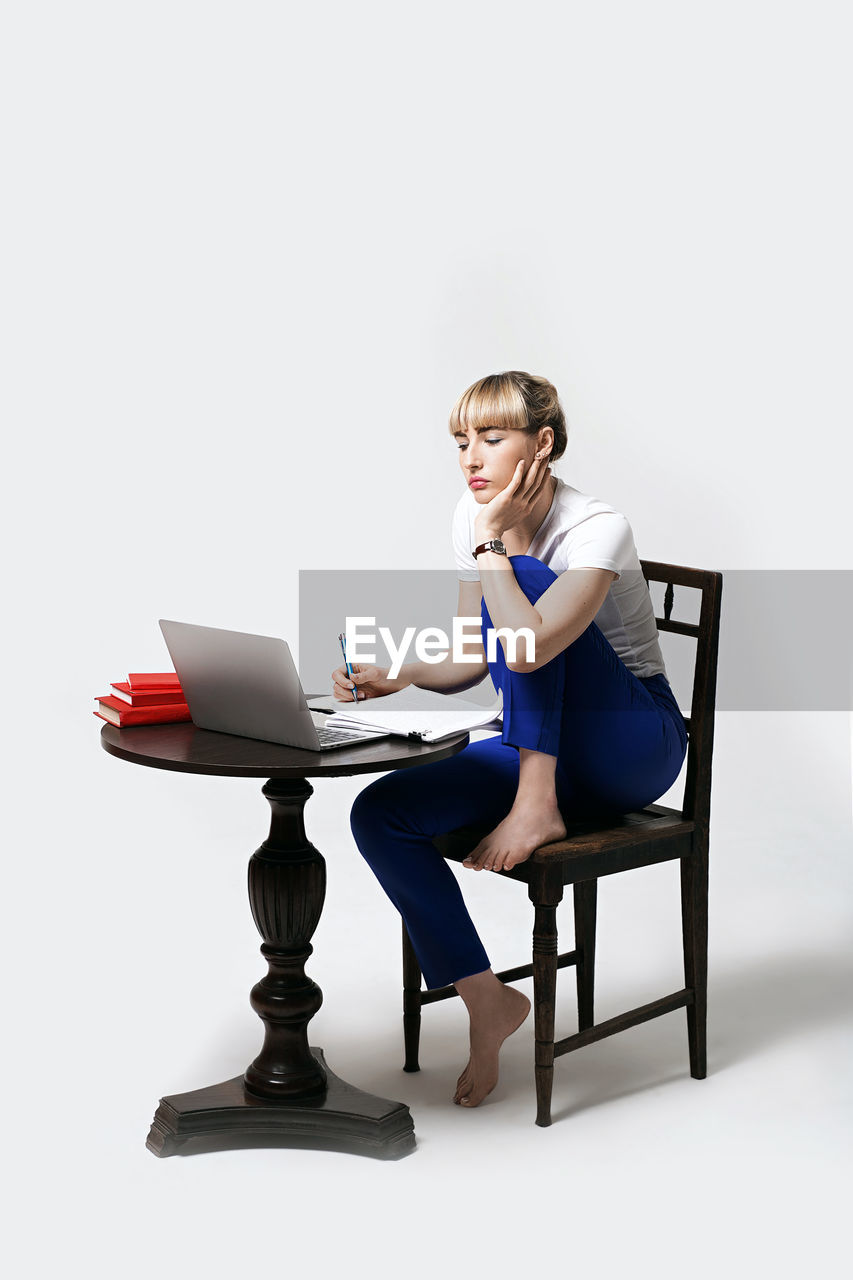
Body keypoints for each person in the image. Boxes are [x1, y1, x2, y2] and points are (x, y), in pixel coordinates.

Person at [331, 371, 688, 1109]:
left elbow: (524, 648)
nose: (472, 457)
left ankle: (535, 805)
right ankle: (486, 999)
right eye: (462, 440)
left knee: (523, 575)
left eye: (492, 439)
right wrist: (400, 672)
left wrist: (499, 545)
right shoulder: (472, 517)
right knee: (380, 812)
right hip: (541, 743)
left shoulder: (596, 525)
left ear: (542, 444)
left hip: (631, 745)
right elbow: (474, 656)